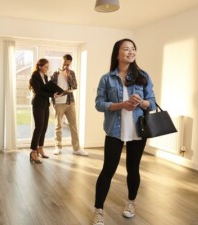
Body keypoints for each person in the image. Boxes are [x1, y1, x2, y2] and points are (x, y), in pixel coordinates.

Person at [92, 38, 156, 225]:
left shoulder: (143, 75)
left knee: (133, 168)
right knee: (108, 170)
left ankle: (131, 202)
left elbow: (151, 102)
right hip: (114, 130)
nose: (131, 52)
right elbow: (99, 104)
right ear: (117, 53)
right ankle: (98, 210)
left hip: (138, 129)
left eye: (133, 49)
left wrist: (141, 102)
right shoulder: (107, 78)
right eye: (126, 49)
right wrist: (121, 104)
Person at [51, 54, 88, 156]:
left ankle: (76, 149)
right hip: (59, 103)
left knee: (73, 126)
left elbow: (75, 86)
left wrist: (68, 76)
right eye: (65, 63)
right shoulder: (55, 74)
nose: (66, 66)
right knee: (58, 126)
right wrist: (54, 99)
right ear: (61, 61)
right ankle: (57, 147)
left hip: (70, 102)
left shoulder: (71, 73)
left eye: (68, 64)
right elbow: (51, 89)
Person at [29, 58, 60, 164]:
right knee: (39, 127)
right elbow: (39, 91)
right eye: (46, 67)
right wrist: (52, 95)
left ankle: (40, 148)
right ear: (40, 66)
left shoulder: (46, 77)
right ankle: (33, 151)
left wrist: (55, 92)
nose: (47, 69)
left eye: (48, 67)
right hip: (38, 104)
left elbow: (46, 89)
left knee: (44, 127)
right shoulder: (35, 76)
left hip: (45, 104)